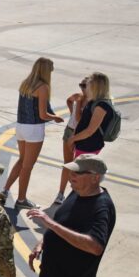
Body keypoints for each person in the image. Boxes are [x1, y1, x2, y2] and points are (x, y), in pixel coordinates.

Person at [0, 58, 64, 209]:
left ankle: (6, 189)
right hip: (34, 129)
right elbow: (43, 114)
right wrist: (56, 117)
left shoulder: (26, 83)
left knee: (21, 160)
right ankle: (21, 199)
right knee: (28, 166)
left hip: (20, 126)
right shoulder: (43, 87)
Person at [55, 77, 88, 205]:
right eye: (81, 85)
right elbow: (69, 100)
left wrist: (78, 106)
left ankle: (77, 193)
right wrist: (73, 110)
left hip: (82, 134)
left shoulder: (93, 101)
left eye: (85, 85)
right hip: (70, 130)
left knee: (80, 166)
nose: (82, 88)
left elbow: (81, 119)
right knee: (67, 163)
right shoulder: (78, 97)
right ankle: (61, 193)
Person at [68, 72, 114, 159]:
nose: (86, 87)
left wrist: (72, 139)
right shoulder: (93, 101)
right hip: (83, 144)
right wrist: (74, 138)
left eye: (88, 84)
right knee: (79, 171)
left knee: (81, 172)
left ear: (94, 86)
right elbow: (82, 122)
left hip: (89, 146)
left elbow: (90, 131)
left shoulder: (101, 106)